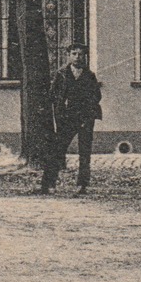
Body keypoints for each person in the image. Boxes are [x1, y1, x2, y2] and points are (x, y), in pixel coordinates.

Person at [39, 44, 103, 195]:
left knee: (85, 152)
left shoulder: (90, 75)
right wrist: (61, 110)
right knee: (57, 150)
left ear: (84, 57)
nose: (77, 57)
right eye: (74, 54)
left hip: (85, 118)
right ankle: (48, 183)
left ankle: (82, 185)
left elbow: (97, 96)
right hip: (67, 118)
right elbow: (53, 95)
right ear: (68, 56)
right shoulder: (61, 74)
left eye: (80, 54)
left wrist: (88, 108)